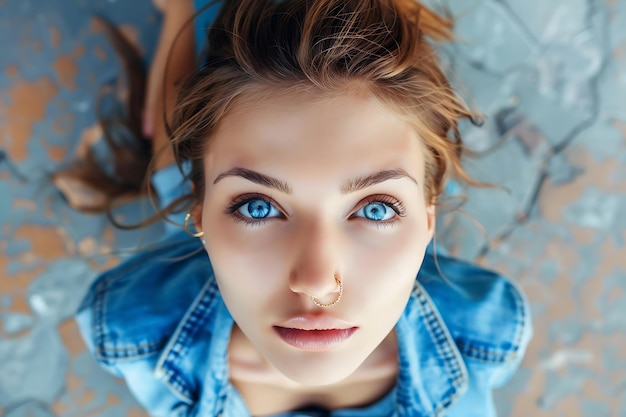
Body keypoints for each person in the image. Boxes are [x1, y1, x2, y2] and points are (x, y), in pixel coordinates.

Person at [75, 0, 533, 416]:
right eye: (256, 207)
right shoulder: (129, 330)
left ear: (429, 215)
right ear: (201, 211)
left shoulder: (487, 337)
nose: (315, 284)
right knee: (172, 156)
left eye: (375, 209)